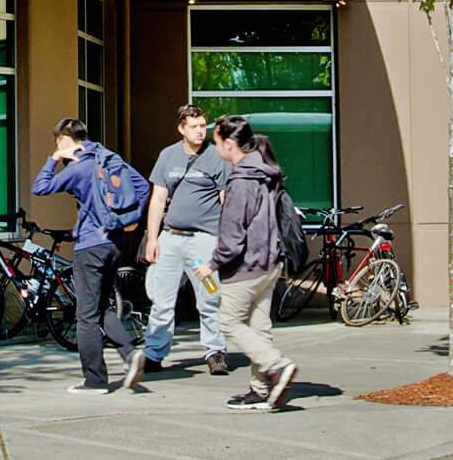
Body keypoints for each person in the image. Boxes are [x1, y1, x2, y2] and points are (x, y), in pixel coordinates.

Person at [29, 117, 150, 394]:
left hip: (91, 247)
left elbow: (40, 187)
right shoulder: (110, 158)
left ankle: (95, 380)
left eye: (57, 141)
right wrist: (128, 220)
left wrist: (54, 158)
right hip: (115, 243)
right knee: (102, 306)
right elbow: (142, 187)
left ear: (64, 139)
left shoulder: (80, 168)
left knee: (85, 316)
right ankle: (130, 355)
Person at [136, 103, 233, 380]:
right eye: (195, 127)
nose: (201, 131)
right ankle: (154, 353)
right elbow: (158, 199)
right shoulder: (167, 156)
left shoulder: (217, 157)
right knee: (161, 298)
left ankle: (215, 351)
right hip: (171, 240)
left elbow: (226, 200)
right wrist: (153, 238)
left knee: (210, 295)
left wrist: (223, 240)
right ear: (182, 129)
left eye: (204, 126)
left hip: (204, 241)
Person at [208, 117, 299, 412]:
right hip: (270, 261)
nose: (215, 146)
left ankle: (277, 365)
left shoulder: (241, 181)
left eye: (216, 141)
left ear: (229, 144)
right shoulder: (265, 172)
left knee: (229, 322)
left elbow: (233, 236)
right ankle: (262, 391)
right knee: (259, 327)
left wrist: (211, 264)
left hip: (246, 265)